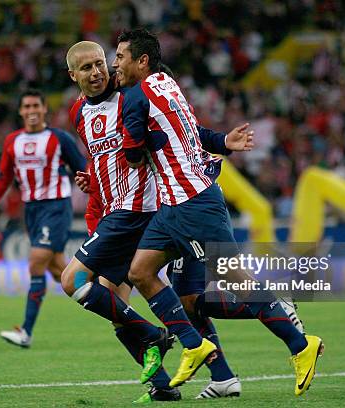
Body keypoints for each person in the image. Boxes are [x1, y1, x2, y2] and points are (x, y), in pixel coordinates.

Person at [117, 28, 323, 395]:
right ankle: (197, 348)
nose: (116, 63)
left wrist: (127, 144)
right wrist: (222, 142)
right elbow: (190, 134)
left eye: (121, 57)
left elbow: (133, 156)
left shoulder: (135, 97)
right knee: (141, 272)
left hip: (193, 205)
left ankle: (299, 343)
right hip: (174, 206)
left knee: (237, 282)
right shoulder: (167, 84)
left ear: (141, 61)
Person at [64, 40, 254, 402]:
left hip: (155, 209)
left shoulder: (132, 96)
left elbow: (184, 131)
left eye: (100, 63)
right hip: (119, 212)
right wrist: (92, 178)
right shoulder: (78, 113)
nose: (97, 72)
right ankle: (177, 382)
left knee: (186, 298)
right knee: (127, 304)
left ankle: (172, 344)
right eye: (86, 68)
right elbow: (105, 157)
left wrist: (223, 143)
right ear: (73, 75)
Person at [0, 89, 86, 348]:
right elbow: (3, 178)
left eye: (36, 106)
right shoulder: (12, 141)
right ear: (21, 112)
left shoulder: (59, 138)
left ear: (45, 109)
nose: (32, 111)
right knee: (59, 272)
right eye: (27, 107)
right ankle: (100, 294)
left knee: (36, 262)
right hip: (31, 210)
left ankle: (26, 331)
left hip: (56, 207)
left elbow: (83, 167)